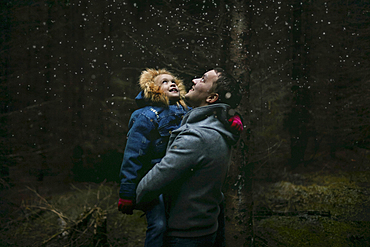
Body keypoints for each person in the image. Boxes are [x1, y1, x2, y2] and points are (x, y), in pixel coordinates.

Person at [118, 68, 242, 247]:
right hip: (205, 225)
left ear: (211, 98)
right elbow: (133, 153)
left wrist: (134, 194)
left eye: (203, 79)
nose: (193, 79)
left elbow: (153, 183)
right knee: (158, 225)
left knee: (157, 226)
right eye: (164, 82)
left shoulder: (196, 135)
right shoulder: (214, 126)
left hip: (185, 235)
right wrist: (231, 117)